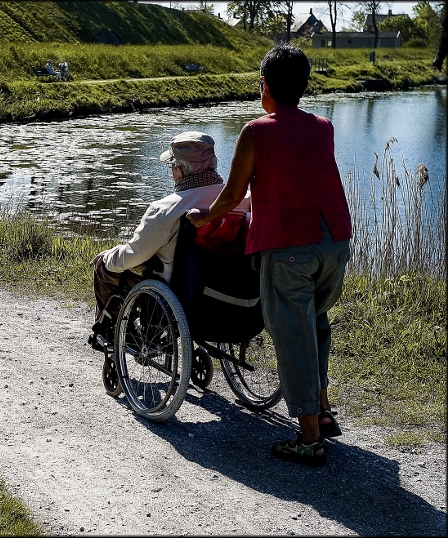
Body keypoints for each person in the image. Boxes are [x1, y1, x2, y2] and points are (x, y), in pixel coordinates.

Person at [187, 43, 352, 467]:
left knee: (294, 336)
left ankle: (310, 438)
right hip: (334, 244)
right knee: (315, 323)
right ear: (304, 86)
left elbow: (233, 194)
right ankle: (324, 409)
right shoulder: (323, 126)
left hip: (289, 249)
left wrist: (204, 216)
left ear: (265, 86)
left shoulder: (256, 131)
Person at [88, 131, 251, 351]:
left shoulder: (166, 209)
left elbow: (134, 255)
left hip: (180, 290)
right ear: (212, 164)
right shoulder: (244, 200)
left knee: (106, 266)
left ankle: (112, 331)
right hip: (229, 286)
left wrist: (107, 257)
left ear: (179, 170)